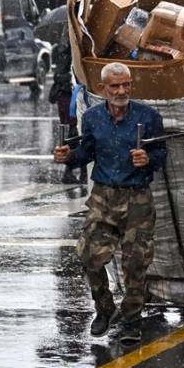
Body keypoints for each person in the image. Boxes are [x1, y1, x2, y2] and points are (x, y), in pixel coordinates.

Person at [53, 62, 166, 345]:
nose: (121, 91)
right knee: (89, 256)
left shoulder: (148, 117)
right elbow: (86, 152)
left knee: (135, 263)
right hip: (103, 196)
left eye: (126, 84)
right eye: (115, 86)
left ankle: (131, 320)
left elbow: (162, 154)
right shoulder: (92, 118)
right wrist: (68, 156)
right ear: (104, 89)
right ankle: (104, 309)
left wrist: (149, 159)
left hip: (137, 197)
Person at [48, 34, 84, 183]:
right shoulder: (65, 51)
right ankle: (72, 171)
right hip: (68, 97)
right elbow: (59, 76)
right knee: (74, 132)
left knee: (79, 132)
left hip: (73, 95)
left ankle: (79, 171)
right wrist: (70, 76)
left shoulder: (79, 49)